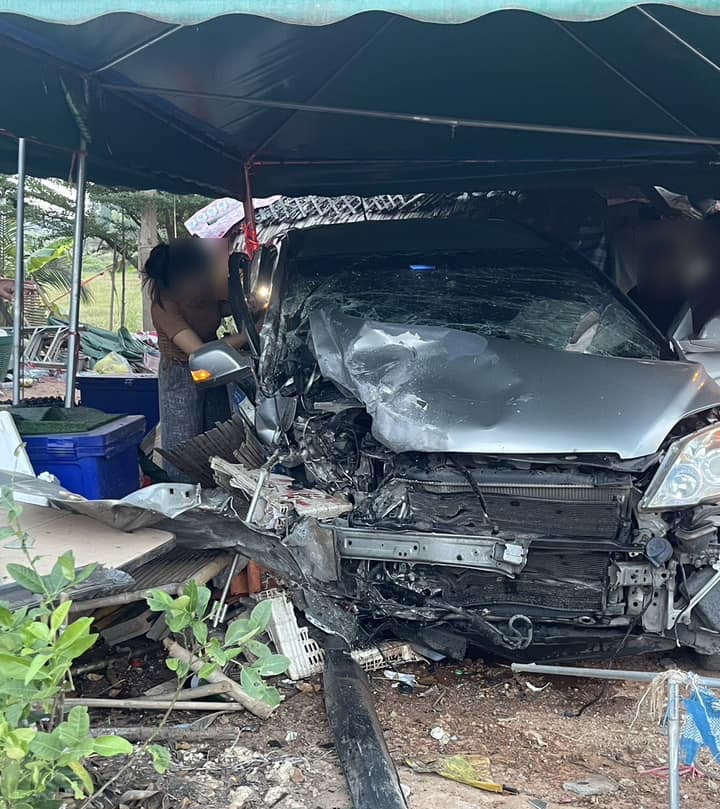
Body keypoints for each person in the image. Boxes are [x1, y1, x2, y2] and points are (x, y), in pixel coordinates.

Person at [143, 238, 248, 482]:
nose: (204, 281)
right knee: (183, 442)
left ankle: (219, 486)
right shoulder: (164, 306)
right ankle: (182, 491)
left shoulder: (205, 291)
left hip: (216, 369)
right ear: (179, 278)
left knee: (220, 432)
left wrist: (249, 305)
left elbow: (227, 307)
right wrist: (245, 337)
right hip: (181, 372)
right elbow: (199, 353)